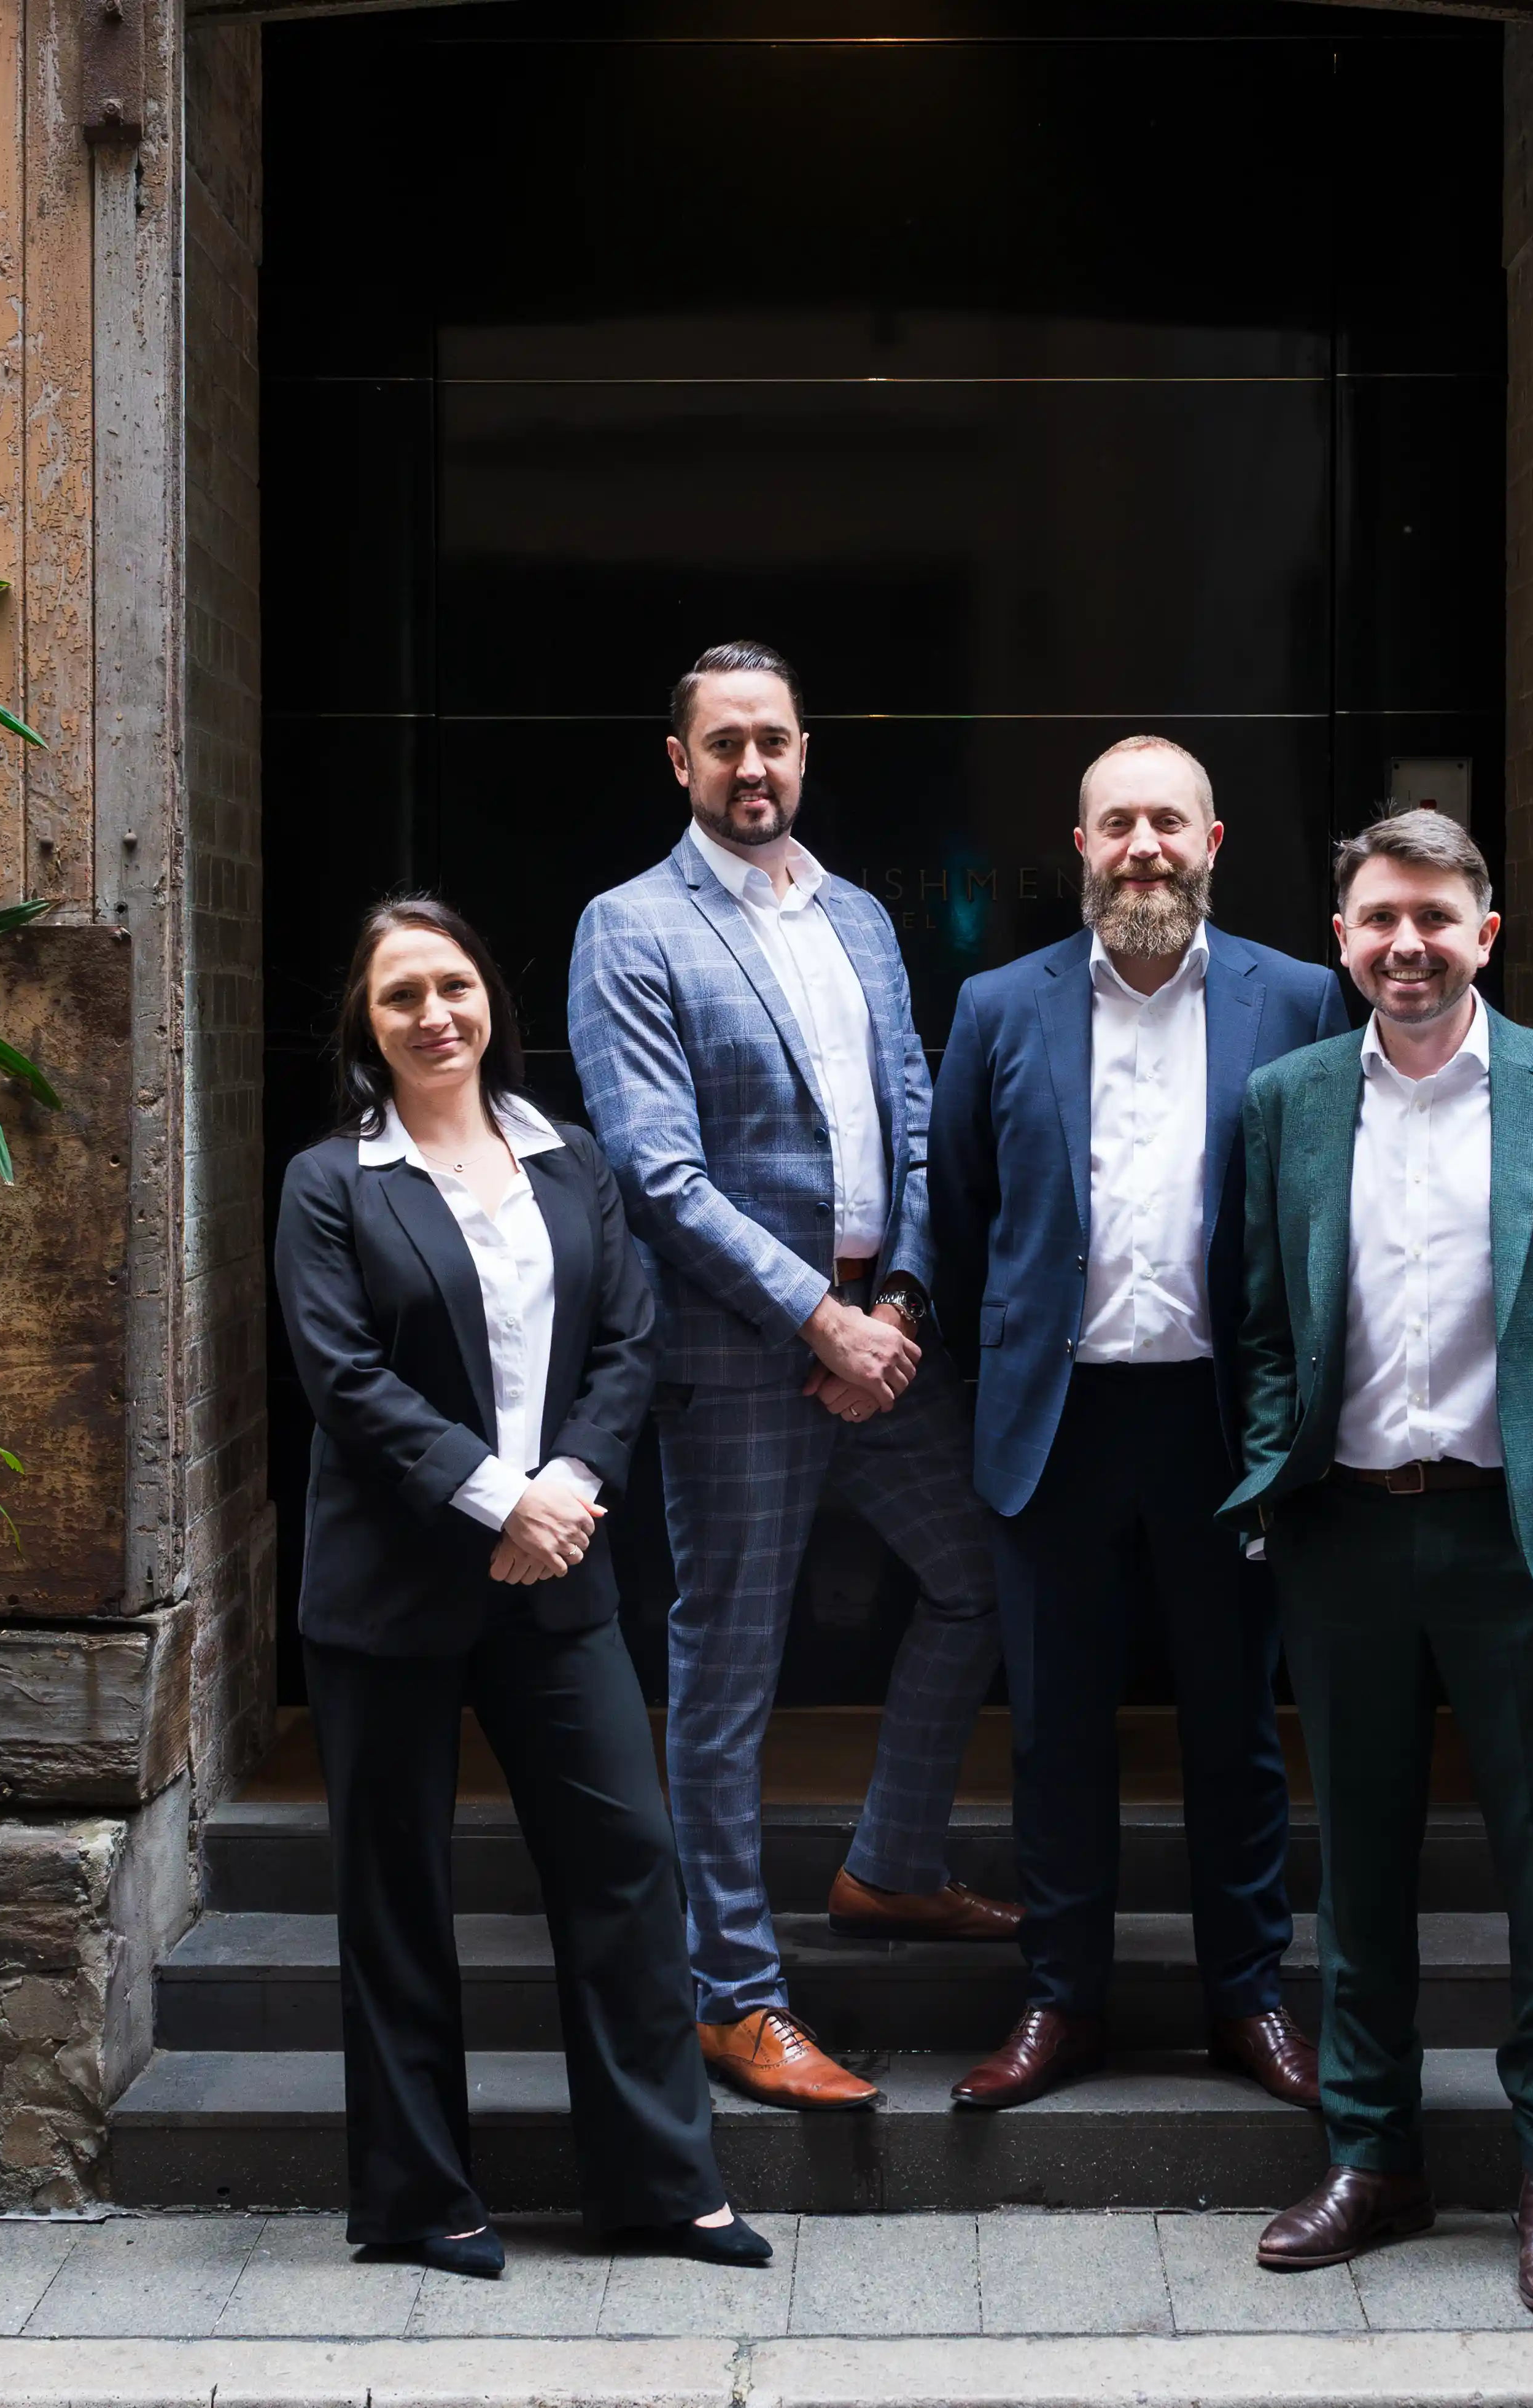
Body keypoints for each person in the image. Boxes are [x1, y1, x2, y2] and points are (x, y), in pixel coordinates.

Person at [275, 894, 769, 2276]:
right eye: (400, 997)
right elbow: (344, 1376)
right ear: (367, 1029)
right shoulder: (332, 1181)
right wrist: (500, 1493)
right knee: (396, 1889)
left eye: (455, 985)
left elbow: (628, 1342)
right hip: (390, 1593)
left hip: (555, 1575)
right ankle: (420, 2197)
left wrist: (563, 1494)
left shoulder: (577, 1162)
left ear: (492, 996)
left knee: (625, 1862)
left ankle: (663, 2184)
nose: (435, 1014)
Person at [1226, 810, 1533, 2315]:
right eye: (1374, 920)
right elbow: (1266, 1324)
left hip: (1516, 1534)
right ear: (1341, 938)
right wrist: (1275, 1470)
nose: (1403, 944)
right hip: (1345, 1534)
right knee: (1357, 1871)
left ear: (1487, 931)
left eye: (1432, 917)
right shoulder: (1286, 1099)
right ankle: (1375, 2155)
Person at [569, 642, 1015, 2113]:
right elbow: (658, 1173)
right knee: (726, 1676)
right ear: (679, 762)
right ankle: (733, 1995)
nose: (751, 767)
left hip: (883, 1342)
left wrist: (895, 1307)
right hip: (741, 1361)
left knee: (980, 1577)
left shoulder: (867, 920)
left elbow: (916, 1120)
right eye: (723, 745)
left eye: (773, 741)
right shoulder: (630, 928)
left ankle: (888, 1866)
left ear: (807, 754)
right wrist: (813, 1327)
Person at [926, 734, 1347, 2111]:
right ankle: (1061, 2000)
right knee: (1054, 1731)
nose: (1146, 846)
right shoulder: (1000, 1004)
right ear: (1084, 845)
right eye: (1120, 826)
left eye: (1170, 822)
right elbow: (967, 1212)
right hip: (1058, 1420)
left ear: (1214, 841)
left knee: (1235, 1725)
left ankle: (1250, 1996)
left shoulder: (1300, 999)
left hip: (1226, 1427)